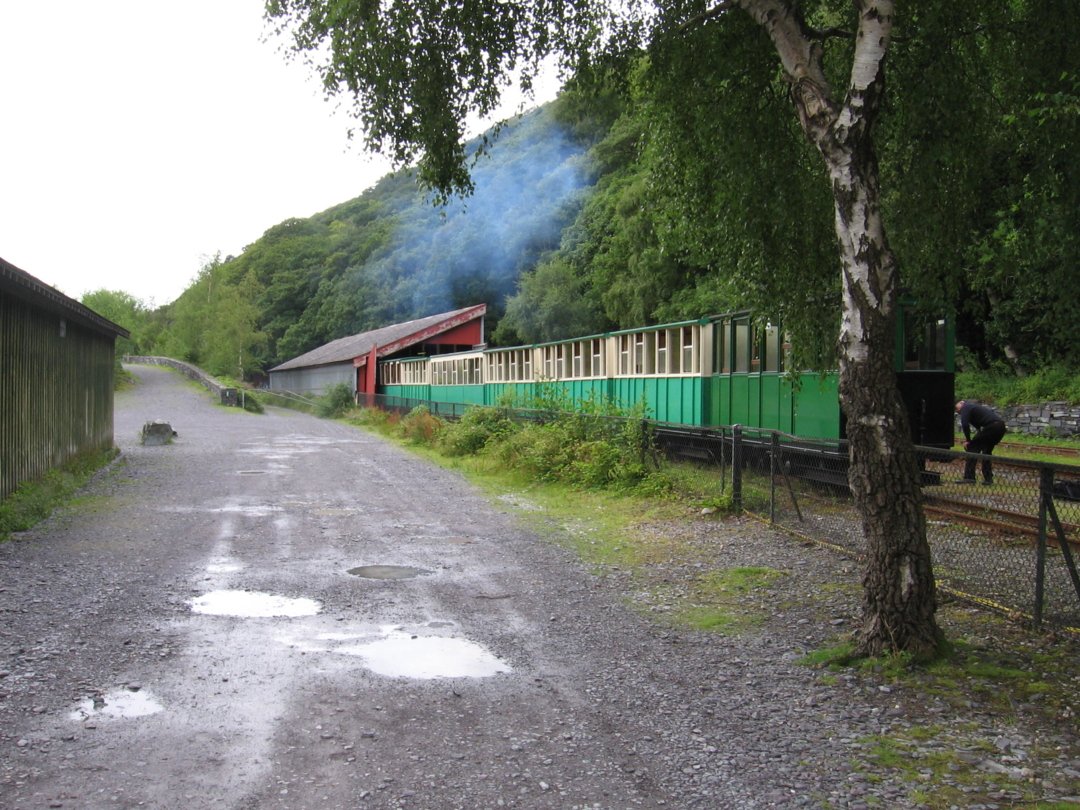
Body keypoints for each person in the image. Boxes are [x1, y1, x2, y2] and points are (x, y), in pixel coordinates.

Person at [955, 400, 1007, 484]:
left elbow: (965, 425)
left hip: (991, 427)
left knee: (972, 448)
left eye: (956, 408)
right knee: (986, 451)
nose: (957, 411)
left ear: (962, 402)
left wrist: (968, 440)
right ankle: (988, 479)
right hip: (1000, 427)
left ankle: (969, 478)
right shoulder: (973, 408)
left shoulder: (965, 407)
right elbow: (978, 426)